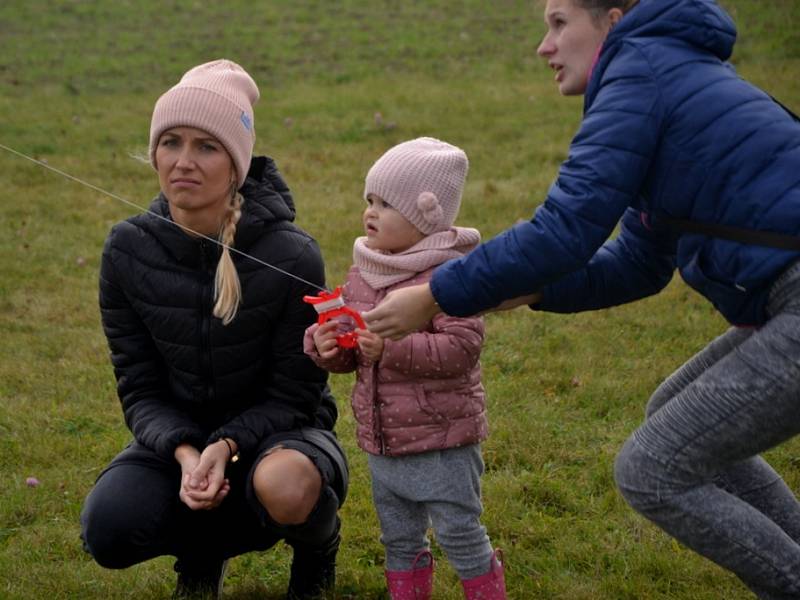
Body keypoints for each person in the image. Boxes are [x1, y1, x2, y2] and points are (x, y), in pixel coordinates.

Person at [362, 1, 800, 598]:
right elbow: (641, 263)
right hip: (781, 302)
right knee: (670, 416)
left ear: (615, 21)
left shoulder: (639, 71)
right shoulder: (662, 72)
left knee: (653, 469)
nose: (545, 45)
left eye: (561, 22)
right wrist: (533, 287)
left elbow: (564, 227)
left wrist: (437, 295)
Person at [79, 59, 348, 600]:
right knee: (107, 527)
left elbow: (296, 394)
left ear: (237, 164)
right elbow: (139, 388)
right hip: (180, 439)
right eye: (171, 142)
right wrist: (184, 452)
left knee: (286, 486)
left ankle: (317, 547)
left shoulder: (291, 254)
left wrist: (226, 445)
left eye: (206, 146)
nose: (184, 162)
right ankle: (200, 555)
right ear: (154, 152)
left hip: (278, 437)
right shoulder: (126, 250)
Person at [304, 137, 507, 600]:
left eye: (387, 204)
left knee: (459, 531)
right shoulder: (364, 272)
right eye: (369, 200)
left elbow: (462, 347)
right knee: (398, 538)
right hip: (385, 439)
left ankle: (485, 589)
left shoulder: (450, 278)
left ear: (425, 217)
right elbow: (355, 353)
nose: (370, 213)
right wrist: (328, 345)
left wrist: (390, 349)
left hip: (443, 441)